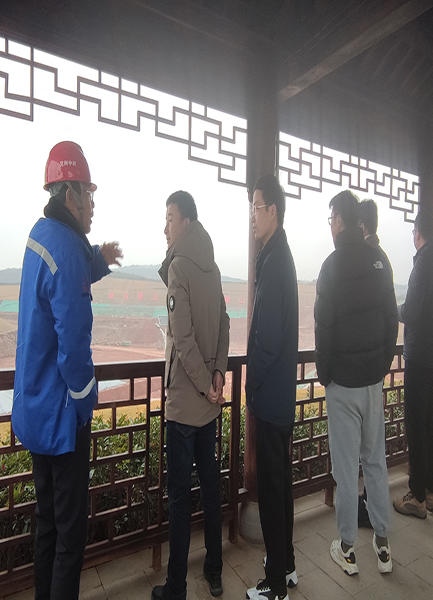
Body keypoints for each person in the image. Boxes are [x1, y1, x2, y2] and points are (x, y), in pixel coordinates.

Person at [12, 141, 123, 600]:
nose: (93, 204)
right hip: (60, 417)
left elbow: (65, 275)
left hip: (33, 409)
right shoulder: (67, 247)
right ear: (71, 195)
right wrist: (84, 405)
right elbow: (74, 346)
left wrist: (98, 259)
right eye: (90, 194)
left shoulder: (42, 236)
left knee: (47, 524)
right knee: (70, 536)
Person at [315, 190, 398, 576]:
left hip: (343, 385)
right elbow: (391, 320)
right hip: (371, 382)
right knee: (375, 461)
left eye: (331, 219)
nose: (330, 226)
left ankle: (347, 548)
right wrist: (381, 366)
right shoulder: (380, 260)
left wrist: (326, 376)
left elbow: (323, 328)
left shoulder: (331, 266)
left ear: (340, 220)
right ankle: (383, 545)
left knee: (346, 469)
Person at [152, 191, 230, 600]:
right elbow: (224, 323)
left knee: (180, 499)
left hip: (184, 406)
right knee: (211, 488)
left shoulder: (179, 267)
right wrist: (217, 375)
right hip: (208, 405)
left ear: (185, 222)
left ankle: (176, 586)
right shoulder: (212, 267)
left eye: (169, 218)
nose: (165, 227)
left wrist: (203, 385)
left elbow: (181, 338)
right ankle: (214, 572)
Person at [245, 175, 299, 600]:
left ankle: (275, 584)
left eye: (256, 207)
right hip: (281, 395)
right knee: (281, 486)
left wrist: (251, 383)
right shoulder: (278, 254)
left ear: (273, 212)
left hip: (270, 395)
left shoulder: (275, 260)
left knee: (271, 491)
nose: (252, 216)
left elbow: (269, 339)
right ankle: (287, 565)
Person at [392, 210, 433, 519]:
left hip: (419, 355)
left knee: (416, 425)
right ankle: (431, 490)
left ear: (417, 233)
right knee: (430, 422)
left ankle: (416, 496)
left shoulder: (424, 262)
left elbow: (413, 310)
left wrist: (394, 310)